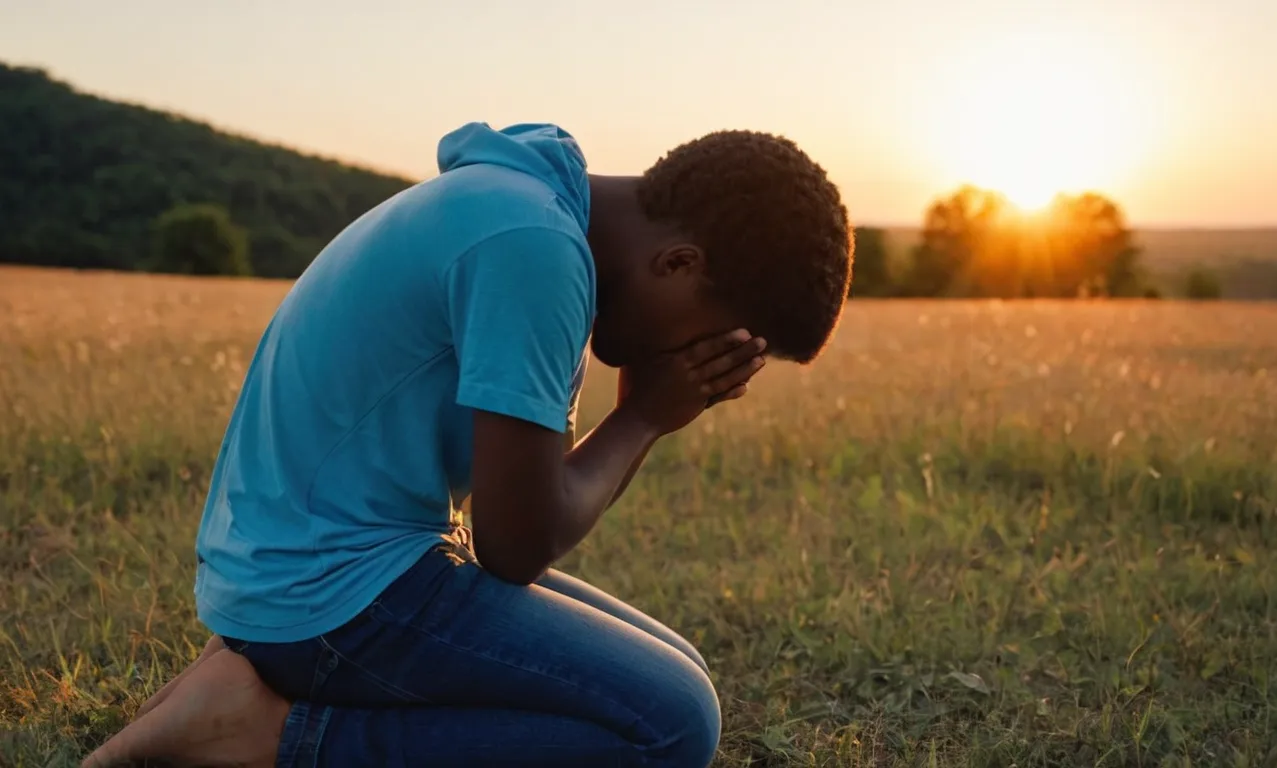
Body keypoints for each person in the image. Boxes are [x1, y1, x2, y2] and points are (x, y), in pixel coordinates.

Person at [85, 122, 852, 768]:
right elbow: (515, 547)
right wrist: (644, 417)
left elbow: (525, 508)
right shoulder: (536, 254)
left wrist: (646, 408)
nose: (710, 362)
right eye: (719, 339)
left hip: (308, 569)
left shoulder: (529, 207)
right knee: (675, 726)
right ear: (680, 264)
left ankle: (247, 680)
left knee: (682, 670)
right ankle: (272, 731)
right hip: (326, 597)